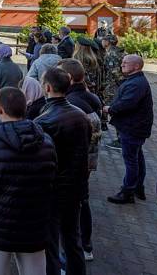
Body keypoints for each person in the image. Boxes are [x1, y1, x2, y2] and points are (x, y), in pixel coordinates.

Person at [0, 87, 57, 275]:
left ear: (0, 110)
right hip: (34, 226)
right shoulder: (47, 143)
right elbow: (51, 179)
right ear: (25, 108)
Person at [34, 67, 91, 275]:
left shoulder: (44, 120)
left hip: (54, 190)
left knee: (50, 241)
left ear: (48, 87)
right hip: (75, 187)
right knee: (72, 237)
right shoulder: (81, 115)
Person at [57, 58, 103, 261]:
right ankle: (84, 244)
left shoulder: (73, 103)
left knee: (76, 204)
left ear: (68, 78)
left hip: (74, 162)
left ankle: (79, 246)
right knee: (81, 200)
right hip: (86, 159)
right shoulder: (90, 97)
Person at [104, 54, 154, 204]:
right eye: (122, 62)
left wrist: (110, 109)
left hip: (132, 127)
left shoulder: (136, 83)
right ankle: (137, 187)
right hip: (135, 126)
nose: (122, 64)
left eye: (126, 62)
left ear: (137, 66)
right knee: (137, 157)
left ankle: (127, 192)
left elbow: (126, 104)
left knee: (131, 160)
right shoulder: (135, 80)